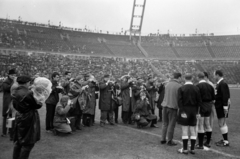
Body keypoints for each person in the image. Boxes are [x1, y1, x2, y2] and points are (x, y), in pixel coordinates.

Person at [11, 76, 42, 159]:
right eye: (29, 82)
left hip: (19, 115)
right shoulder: (27, 93)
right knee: (28, 143)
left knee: (19, 140)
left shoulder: (15, 90)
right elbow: (36, 105)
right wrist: (41, 101)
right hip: (28, 117)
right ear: (27, 82)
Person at [177, 74, 201, 155]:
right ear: (192, 78)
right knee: (192, 130)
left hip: (185, 110)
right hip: (194, 110)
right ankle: (192, 149)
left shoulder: (181, 88)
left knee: (185, 130)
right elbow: (199, 102)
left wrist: (182, 112)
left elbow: (179, 102)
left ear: (184, 78)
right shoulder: (196, 88)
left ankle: (185, 149)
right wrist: (198, 112)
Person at [161, 72, 182, 146]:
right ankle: (169, 140)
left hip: (165, 105)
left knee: (164, 123)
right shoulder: (179, 86)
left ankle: (163, 139)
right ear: (179, 77)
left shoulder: (167, 84)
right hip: (172, 107)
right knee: (171, 124)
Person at [196, 72, 215, 149]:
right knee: (207, 123)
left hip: (201, 106)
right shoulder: (210, 86)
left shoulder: (198, 86)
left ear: (198, 77)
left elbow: (196, 98)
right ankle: (207, 142)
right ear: (204, 77)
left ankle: (200, 144)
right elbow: (214, 98)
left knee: (201, 124)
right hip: (209, 106)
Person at [214, 70, 230, 147]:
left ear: (217, 75)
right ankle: (225, 140)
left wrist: (225, 107)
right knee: (222, 123)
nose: (214, 77)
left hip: (221, 106)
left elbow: (225, 96)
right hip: (219, 106)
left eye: (215, 75)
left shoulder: (222, 83)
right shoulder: (220, 83)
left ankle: (226, 141)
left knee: (222, 123)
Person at [1, 68, 16, 137]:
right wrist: (14, 83)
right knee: (5, 116)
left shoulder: (13, 81)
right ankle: (4, 132)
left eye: (14, 75)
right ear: (9, 75)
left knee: (10, 116)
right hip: (7, 101)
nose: (13, 76)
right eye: (12, 75)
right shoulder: (5, 81)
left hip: (12, 101)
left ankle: (10, 130)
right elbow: (6, 88)